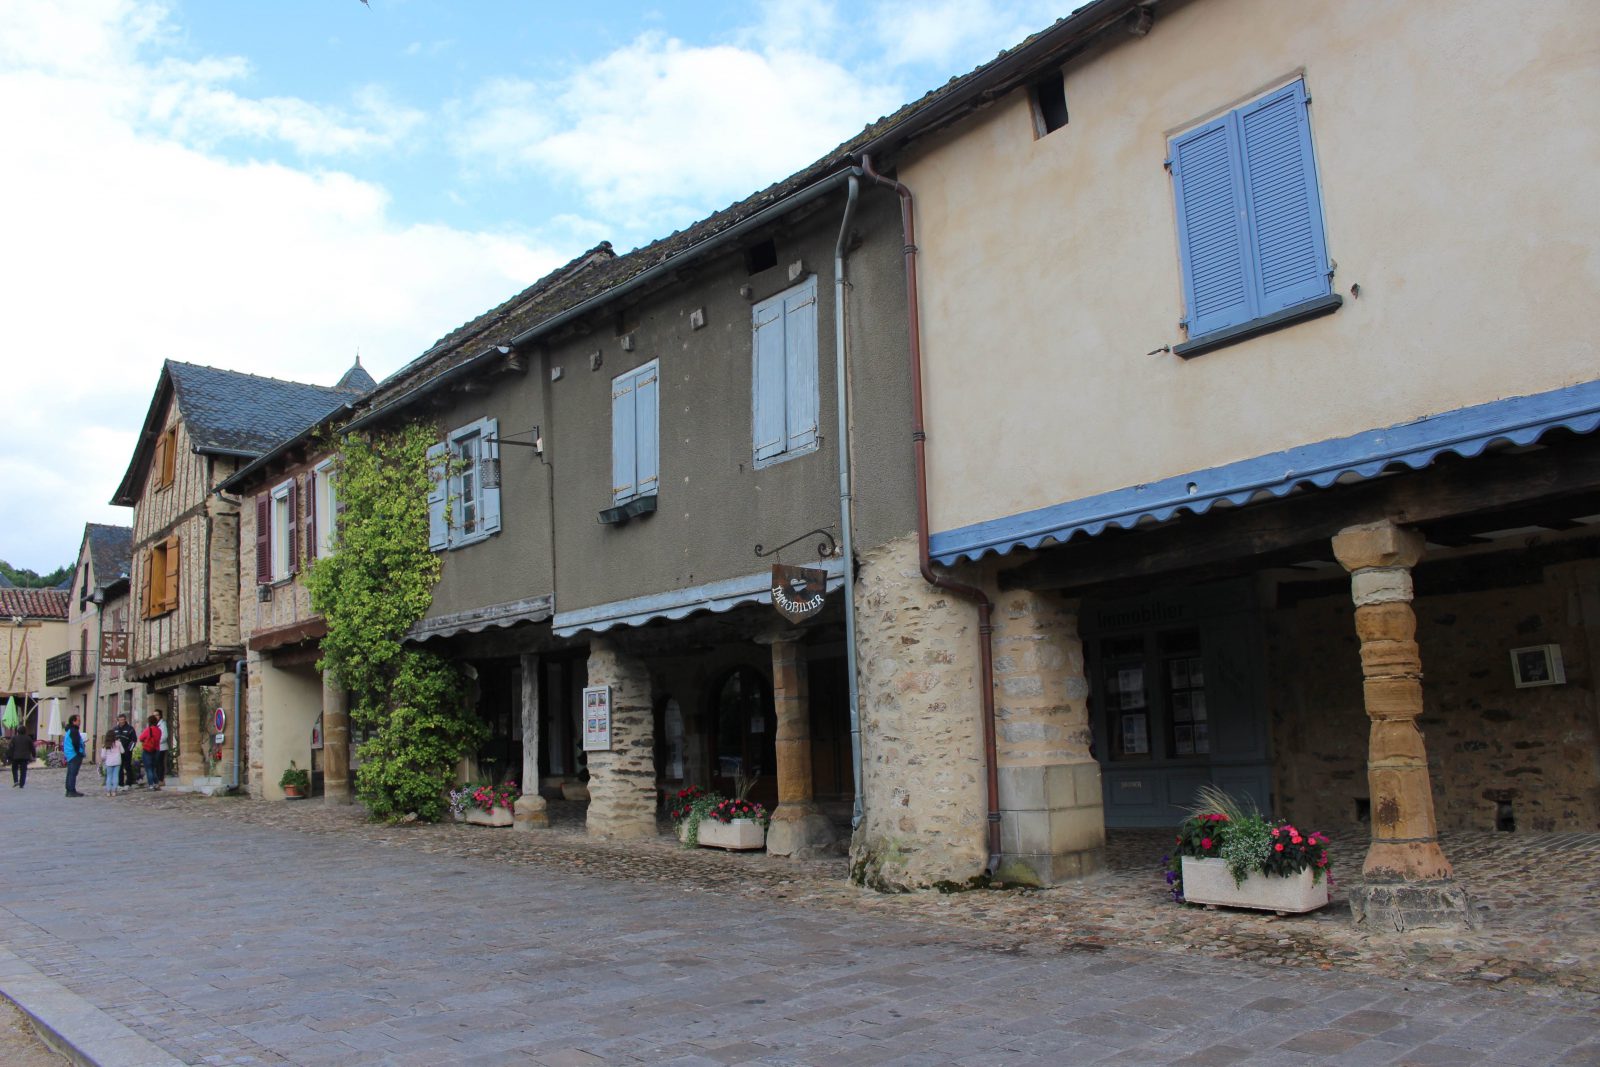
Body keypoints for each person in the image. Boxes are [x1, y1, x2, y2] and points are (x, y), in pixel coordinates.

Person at [62, 714, 86, 797]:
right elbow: (75, 743)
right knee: (73, 773)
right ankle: (71, 790)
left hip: (69, 754)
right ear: (74, 721)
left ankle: (69, 789)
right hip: (74, 754)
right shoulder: (74, 731)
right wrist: (79, 752)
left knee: (70, 773)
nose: (80, 722)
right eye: (78, 720)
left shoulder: (69, 730)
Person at [112, 713, 137, 788]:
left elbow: (134, 740)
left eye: (123, 720)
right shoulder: (115, 729)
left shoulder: (130, 729)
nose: (121, 721)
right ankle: (120, 783)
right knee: (119, 767)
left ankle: (129, 782)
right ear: (118, 720)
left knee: (127, 766)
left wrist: (129, 750)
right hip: (118, 752)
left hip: (127, 751)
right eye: (120, 720)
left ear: (125, 720)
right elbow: (112, 739)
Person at [139, 715, 163, 792]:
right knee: (153, 768)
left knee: (148, 768)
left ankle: (151, 785)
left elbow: (141, 738)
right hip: (156, 750)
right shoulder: (159, 730)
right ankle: (156, 783)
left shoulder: (148, 730)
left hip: (147, 750)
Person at [99, 731, 123, 797]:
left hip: (109, 762)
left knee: (109, 776)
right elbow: (122, 751)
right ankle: (114, 791)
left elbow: (103, 756)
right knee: (115, 776)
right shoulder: (118, 743)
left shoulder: (105, 745)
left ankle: (108, 791)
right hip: (117, 761)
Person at [155, 709, 169, 787]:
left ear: (160, 716)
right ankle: (157, 779)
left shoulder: (162, 724)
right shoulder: (154, 724)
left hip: (161, 747)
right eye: (154, 715)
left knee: (160, 764)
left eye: (156, 715)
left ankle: (161, 779)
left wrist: (157, 742)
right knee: (156, 764)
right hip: (156, 747)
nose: (155, 716)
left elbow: (164, 736)